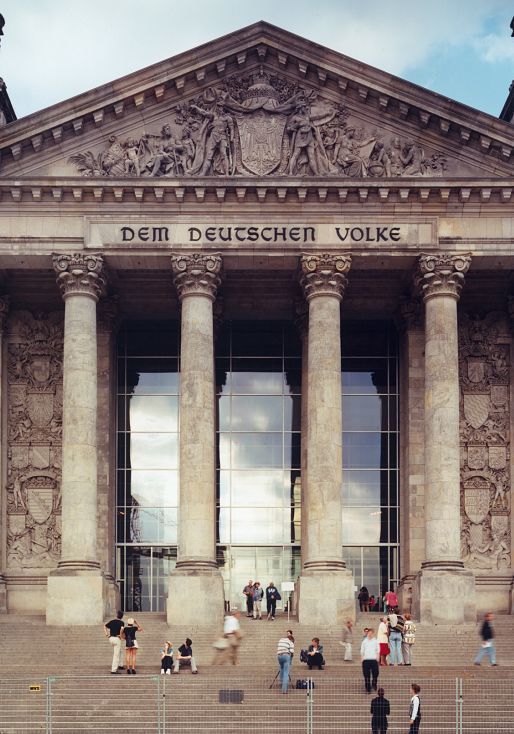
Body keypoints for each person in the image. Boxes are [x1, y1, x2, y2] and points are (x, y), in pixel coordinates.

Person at [360, 628, 380, 694]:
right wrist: (362, 658)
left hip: (374, 660)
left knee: (375, 673)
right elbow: (362, 650)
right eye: (369, 633)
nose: (370, 634)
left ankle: (374, 684)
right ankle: (368, 689)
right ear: (367, 633)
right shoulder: (364, 641)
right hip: (366, 660)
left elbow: (378, 650)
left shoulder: (375, 641)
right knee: (366, 675)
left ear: (373, 634)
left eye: (371, 633)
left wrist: (378, 657)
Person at [276, 630, 295, 694]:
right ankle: (284, 690)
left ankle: (281, 683)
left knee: (281, 669)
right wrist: (290, 661)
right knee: (286, 672)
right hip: (286, 656)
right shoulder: (291, 642)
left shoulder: (281, 639)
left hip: (279, 656)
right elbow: (292, 652)